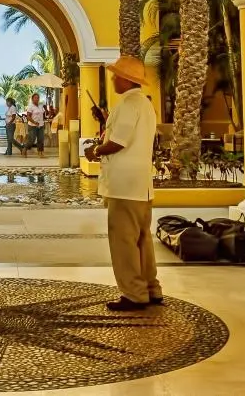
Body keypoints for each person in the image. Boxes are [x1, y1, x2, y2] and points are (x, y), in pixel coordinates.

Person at [84, 55, 162, 312]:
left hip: (125, 184)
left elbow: (119, 142)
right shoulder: (145, 104)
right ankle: (151, 288)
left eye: (117, 75)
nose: (113, 78)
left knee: (124, 240)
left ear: (127, 80)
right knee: (142, 238)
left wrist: (95, 150)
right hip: (140, 183)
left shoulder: (129, 104)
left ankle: (133, 293)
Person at [24, 92, 46, 158]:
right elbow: (28, 117)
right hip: (32, 125)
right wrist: (34, 122)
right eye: (35, 98)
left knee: (41, 139)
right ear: (32, 99)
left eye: (38, 98)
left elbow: (43, 113)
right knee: (31, 140)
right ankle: (24, 149)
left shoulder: (40, 105)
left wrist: (43, 121)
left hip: (41, 125)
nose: (37, 99)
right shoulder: (30, 106)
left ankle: (40, 152)